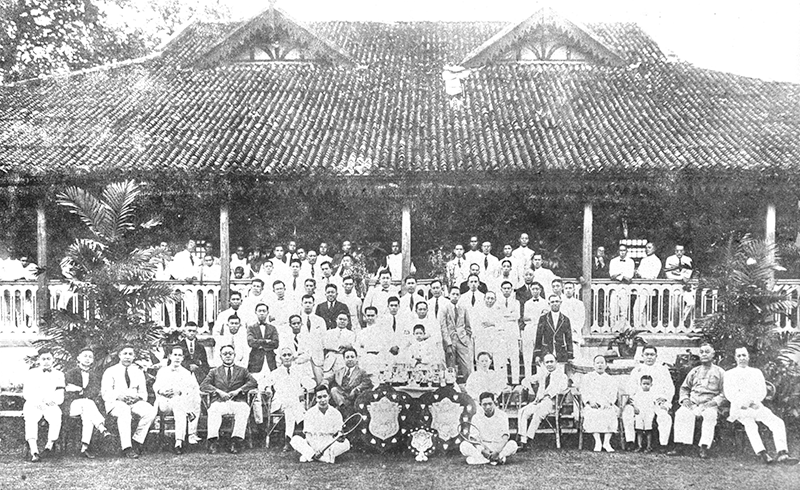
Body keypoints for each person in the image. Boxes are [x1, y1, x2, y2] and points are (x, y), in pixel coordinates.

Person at [724, 346, 799, 465]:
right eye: (739, 356)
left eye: (744, 355)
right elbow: (729, 394)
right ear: (735, 358)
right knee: (750, 425)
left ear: (748, 357)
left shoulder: (756, 372)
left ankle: (782, 453)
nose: (742, 358)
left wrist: (754, 401)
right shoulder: (729, 374)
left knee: (777, 422)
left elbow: (762, 391)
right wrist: (744, 403)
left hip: (756, 406)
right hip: (739, 409)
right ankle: (762, 453)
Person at [669, 342, 724, 459]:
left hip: (709, 404)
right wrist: (686, 401)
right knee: (681, 413)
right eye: (702, 352)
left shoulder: (720, 372)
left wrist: (713, 403)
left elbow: (724, 393)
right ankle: (680, 445)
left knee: (710, 416)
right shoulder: (694, 371)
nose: (704, 354)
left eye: (707, 352)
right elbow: (684, 388)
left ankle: (704, 447)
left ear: (713, 354)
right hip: (693, 403)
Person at [101, 345, 157, 459]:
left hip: (133, 402)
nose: (127, 357)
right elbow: (105, 392)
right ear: (119, 355)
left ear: (134, 357)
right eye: (125, 354)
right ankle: (127, 447)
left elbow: (143, 393)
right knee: (124, 411)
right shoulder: (110, 371)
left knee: (150, 411)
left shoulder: (138, 371)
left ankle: (137, 440)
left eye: (130, 354)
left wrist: (137, 398)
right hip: (116, 403)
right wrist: (119, 396)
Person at [201, 344, 258, 454]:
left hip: (237, 401)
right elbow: (204, 385)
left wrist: (239, 390)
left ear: (234, 355)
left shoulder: (242, 371)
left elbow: (253, 382)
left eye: (230, 354)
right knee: (213, 410)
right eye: (225, 354)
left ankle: (236, 441)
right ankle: (213, 441)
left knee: (244, 409)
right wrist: (218, 391)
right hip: (220, 402)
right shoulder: (214, 371)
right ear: (221, 356)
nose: (228, 356)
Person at [262, 346, 316, 451]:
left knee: (290, 410)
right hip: (280, 402)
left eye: (289, 355)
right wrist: (268, 388)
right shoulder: (276, 373)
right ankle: (300, 425)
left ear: (293, 357)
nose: (287, 357)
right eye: (284, 355)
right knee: (291, 406)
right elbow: (263, 383)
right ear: (280, 358)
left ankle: (288, 439)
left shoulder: (299, 371)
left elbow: (312, 383)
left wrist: (304, 387)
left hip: (293, 404)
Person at [621, 345, 673, 451]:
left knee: (664, 416)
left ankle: (663, 444)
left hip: (657, 402)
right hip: (640, 402)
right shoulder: (637, 370)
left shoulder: (662, 370)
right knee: (627, 412)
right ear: (642, 356)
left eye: (652, 354)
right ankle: (630, 441)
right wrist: (632, 403)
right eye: (647, 354)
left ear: (656, 356)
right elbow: (630, 388)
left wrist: (665, 400)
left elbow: (669, 388)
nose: (649, 357)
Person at [153, 345, 201, 454]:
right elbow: (156, 386)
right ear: (170, 356)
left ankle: (178, 442)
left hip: (178, 402)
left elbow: (188, 390)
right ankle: (189, 415)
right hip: (164, 403)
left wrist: (178, 392)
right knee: (180, 404)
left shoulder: (186, 373)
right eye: (175, 355)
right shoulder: (162, 371)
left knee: (178, 405)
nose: (177, 358)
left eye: (180, 355)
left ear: (183, 358)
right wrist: (162, 391)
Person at [64, 347, 110, 459]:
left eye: (90, 357)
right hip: (72, 406)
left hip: (87, 407)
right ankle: (101, 427)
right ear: (78, 358)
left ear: (93, 360)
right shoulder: (69, 373)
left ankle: (84, 447)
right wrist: (81, 392)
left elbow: (93, 393)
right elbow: (66, 392)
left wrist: (79, 390)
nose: (87, 359)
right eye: (85, 356)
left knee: (88, 415)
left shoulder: (95, 376)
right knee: (88, 403)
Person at [517, 353, 568, 448]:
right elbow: (526, 380)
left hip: (551, 403)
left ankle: (529, 439)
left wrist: (546, 394)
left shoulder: (562, 376)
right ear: (544, 364)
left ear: (556, 362)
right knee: (522, 411)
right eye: (547, 362)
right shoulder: (543, 374)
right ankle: (523, 440)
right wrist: (528, 387)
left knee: (538, 413)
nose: (549, 364)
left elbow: (563, 388)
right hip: (538, 402)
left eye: (551, 361)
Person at [23, 347, 65, 462]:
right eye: (43, 359)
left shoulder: (59, 374)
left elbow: (60, 393)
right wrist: (37, 402)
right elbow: (27, 393)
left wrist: (53, 401)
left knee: (56, 416)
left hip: (50, 404)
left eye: (48, 358)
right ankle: (34, 451)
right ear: (38, 360)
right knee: (31, 419)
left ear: (53, 360)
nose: (46, 361)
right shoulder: (31, 374)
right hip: (33, 404)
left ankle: (49, 446)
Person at [291, 385, 351, 463]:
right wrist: (316, 449)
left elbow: (338, 433)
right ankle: (322, 458)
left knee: (346, 443)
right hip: (313, 442)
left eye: (325, 396)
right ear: (315, 398)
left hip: (329, 444)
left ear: (329, 397)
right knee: (295, 440)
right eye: (319, 397)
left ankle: (309, 455)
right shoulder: (310, 413)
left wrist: (340, 437)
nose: (322, 400)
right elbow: (308, 436)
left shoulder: (336, 413)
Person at [460, 392, 518, 465]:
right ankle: (494, 460)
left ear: (494, 403)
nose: (487, 407)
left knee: (513, 444)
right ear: (480, 404)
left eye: (490, 404)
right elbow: (473, 438)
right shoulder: (476, 417)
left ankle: (493, 457)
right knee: (463, 445)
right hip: (483, 447)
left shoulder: (503, 415)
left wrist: (497, 451)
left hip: (498, 447)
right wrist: (482, 450)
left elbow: (505, 437)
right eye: (484, 404)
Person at [581, 355, 619, 452]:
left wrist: (609, 402)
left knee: (610, 413)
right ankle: (597, 441)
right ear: (594, 365)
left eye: (602, 363)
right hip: (592, 404)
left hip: (606, 404)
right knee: (593, 414)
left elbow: (613, 394)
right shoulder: (587, 377)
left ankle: (607, 442)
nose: (600, 365)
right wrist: (590, 401)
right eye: (597, 363)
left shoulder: (611, 379)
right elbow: (584, 391)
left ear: (606, 365)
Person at [326, 346, 372, 415]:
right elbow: (327, 379)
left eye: (352, 357)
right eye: (347, 357)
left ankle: (344, 410)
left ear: (356, 358)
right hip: (341, 396)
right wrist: (324, 385)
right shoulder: (339, 372)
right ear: (344, 359)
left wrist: (356, 389)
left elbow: (367, 382)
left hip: (354, 398)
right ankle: (344, 409)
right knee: (334, 390)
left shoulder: (361, 372)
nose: (350, 359)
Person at [533, 295, 573, 365]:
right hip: (546, 351)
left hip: (561, 352)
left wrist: (570, 355)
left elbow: (568, 338)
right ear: (549, 304)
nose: (555, 303)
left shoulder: (565, 319)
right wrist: (537, 354)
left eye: (557, 301)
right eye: (552, 302)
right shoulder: (543, 318)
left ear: (560, 303)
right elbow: (538, 336)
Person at [520, 282, 547, 379]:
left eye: (537, 289)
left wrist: (535, 318)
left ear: (540, 290)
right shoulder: (527, 303)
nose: (535, 291)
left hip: (540, 330)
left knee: (539, 353)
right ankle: (528, 378)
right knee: (527, 354)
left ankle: (540, 377)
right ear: (530, 290)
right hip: (529, 329)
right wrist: (537, 316)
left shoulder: (545, 302)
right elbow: (525, 318)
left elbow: (545, 317)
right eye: (533, 289)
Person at [496, 282, 521, 384]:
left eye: (508, 288)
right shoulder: (497, 303)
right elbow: (497, 316)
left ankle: (515, 381)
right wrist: (510, 315)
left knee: (514, 358)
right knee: (502, 358)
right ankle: (504, 382)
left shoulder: (516, 302)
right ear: (501, 290)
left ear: (511, 290)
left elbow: (517, 316)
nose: (506, 290)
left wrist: (505, 315)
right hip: (502, 333)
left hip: (513, 333)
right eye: (504, 288)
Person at [447, 287, 473, 382]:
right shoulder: (445, 308)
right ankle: (452, 386)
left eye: (457, 294)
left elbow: (468, 326)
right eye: (453, 294)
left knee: (467, 365)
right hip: (450, 340)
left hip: (462, 340)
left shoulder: (463, 309)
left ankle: (470, 385)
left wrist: (466, 338)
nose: (455, 296)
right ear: (449, 295)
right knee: (451, 365)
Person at [298, 295, 326, 383]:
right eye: (305, 302)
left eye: (310, 303)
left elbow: (324, 339)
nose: (307, 305)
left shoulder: (320, 320)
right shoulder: (297, 320)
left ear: (313, 304)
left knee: (319, 382)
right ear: (301, 304)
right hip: (303, 357)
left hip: (317, 357)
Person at [246, 303, 280, 374]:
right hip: (255, 362)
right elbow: (251, 342)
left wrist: (259, 343)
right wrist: (266, 341)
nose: (262, 313)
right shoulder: (251, 328)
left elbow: (276, 344)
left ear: (267, 313)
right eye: (259, 311)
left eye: (264, 311)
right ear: (256, 312)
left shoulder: (272, 328)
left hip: (270, 361)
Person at [609, 244, 635, 330]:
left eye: (624, 250)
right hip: (615, 288)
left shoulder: (631, 262)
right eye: (620, 250)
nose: (622, 252)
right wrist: (622, 276)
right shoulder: (613, 261)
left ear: (626, 251)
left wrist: (619, 275)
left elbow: (629, 277)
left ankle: (623, 329)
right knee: (613, 309)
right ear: (618, 251)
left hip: (625, 288)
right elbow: (611, 275)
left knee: (624, 310)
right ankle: (613, 328)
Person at [323, 313, 357, 377]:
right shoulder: (329, 332)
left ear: (348, 322)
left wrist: (345, 345)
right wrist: (340, 346)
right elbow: (326, 345)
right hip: (330, 359)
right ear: (336, 320)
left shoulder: (351, 334)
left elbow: (350, 345)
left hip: (343, 360)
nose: (342, 321)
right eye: (340, 319)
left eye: (344, 320)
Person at [628, 375, 656, 452]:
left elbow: (655, 403)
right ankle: (639, 445)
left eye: (648, 384)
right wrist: (635, 408)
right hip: (639, 414)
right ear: (640, 384)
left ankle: (649, 446)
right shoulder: (638, 394)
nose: (646, 386)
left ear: (651, 385)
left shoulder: (652, 394)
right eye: (644, 384)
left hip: (649, 414)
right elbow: (633, 402)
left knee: (648, 430)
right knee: (639, 430)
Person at [561, 282, 585, 356]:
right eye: (566, 288)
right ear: (563, 290)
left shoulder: (579, 303)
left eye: (570, 288)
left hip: (574, 331)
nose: (568, 290)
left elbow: (581, 319)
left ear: (574, 290)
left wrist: (573, 328)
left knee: (575, 354)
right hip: (562, 332)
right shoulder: (560, 303)